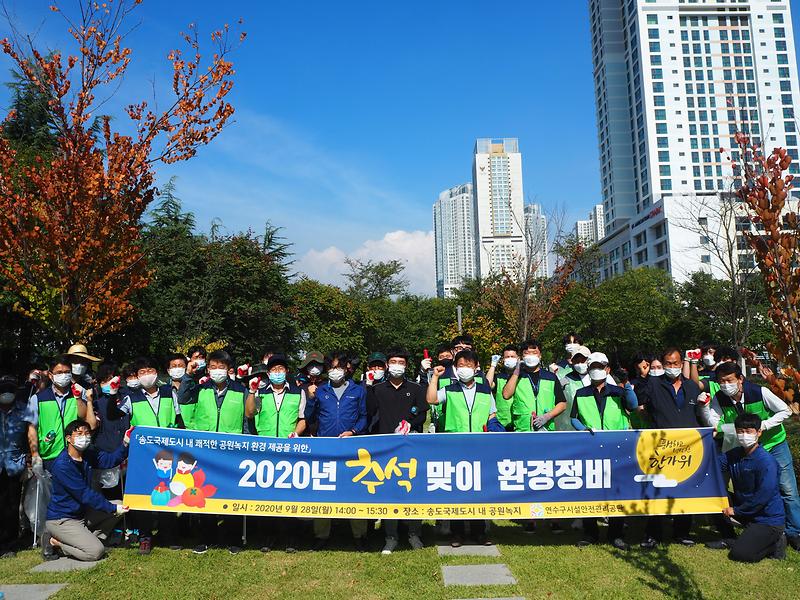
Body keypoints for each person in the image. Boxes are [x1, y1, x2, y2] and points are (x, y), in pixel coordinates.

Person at [699, 361, 800, 551]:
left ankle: (795, 532)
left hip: (773, 443)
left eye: (729, 380)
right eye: (721, 381)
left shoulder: (758, 392)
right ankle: (751, 527)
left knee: (787, 489)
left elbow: (785, 411)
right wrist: (705, 409)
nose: (725, 384)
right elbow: (713, 420)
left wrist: (764, 425)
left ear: (740, 379)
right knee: (747, 489)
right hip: (746, 448)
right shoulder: (720, 398)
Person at [426, 349, 505, 547]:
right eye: (460, 365)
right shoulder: (450, 389)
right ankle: (457, 533)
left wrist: (497, 432)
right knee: (457, 491)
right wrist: (435, 377)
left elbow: (492, 415)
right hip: (454, 445)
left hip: (479, 446)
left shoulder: (485, 390)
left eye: (469, 365)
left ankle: (480, 532)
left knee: (479, 489)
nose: (464, 369)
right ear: (455, 367)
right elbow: (431, 399)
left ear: (476, 368)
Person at [179, 349, 248, 554]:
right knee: (204, 495)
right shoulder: (200, 388)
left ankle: (233, 539)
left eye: (222, 367)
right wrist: (189, 374)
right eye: (213, 367)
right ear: (207, 369)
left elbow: (246, 421)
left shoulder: (239, 390)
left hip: (231, 452)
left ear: (229, 370)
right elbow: (183, 398)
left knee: (231, 494)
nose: (217, 371)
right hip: (205, 452)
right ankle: (206, 538)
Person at [635, 348, 705, 549]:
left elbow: (700, 413)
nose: (672, 367)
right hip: (660, 448)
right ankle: (653, 535)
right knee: (656, 491)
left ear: (681, 364)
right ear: (663, 365)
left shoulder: (691, 387)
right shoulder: (653, 385)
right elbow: (638, 406)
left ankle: (682, 532)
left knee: (685, 489)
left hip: (688, 449)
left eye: (676, 363)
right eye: (668, 363)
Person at [571, 352, 637, 550]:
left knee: (617, 490)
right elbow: (574, 417)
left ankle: (616, 534)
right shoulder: (581, 393)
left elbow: (632, 406)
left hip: (617, 447)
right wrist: (583, 430)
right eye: (593, 367)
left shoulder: (618, 392)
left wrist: (626, 385)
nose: (596, 370)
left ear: (607, 369)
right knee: (591, 490)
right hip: (591, 447)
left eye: (600, 367)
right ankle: (590, 533)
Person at [366, 348, 428, 554]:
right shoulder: (378, 389)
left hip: (410, 446)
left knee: (413, 490)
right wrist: (368, 386)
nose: (396, 366)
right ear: (387, 366)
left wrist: (410, 423)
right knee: (389, 491)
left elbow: (421, 413)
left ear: (406, 366)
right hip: (385, 447)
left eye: (400, 362)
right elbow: (369, 411)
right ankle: (390, 536)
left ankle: (414, 533)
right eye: (393, 362)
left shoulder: (416, 388)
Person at [42, 419, 131, 562]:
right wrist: (112, 507)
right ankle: (56, 542)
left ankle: (92, 540)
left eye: (87, 433)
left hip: (82, 514)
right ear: (68, 438)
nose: (84, 436)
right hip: (63, 519)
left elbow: (110, 460)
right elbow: (84, 494)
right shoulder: (62, 465)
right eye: (79, 433)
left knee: (119, 505)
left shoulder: (88, 454)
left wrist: (126, 442)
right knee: (95, 552)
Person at [306, 351, 369, 550]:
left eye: (339, 367)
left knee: (355, 490)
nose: (336, 371)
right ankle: (321, 534)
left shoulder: (358, 390)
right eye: (332, 368)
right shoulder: (321, 390)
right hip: (326, 447)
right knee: (323, 490)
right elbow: (310, 416)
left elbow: (364, 417)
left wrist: (353, 431)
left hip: (350, 446)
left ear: (346, 369)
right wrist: (310, 398)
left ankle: (359, 534)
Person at [244, 355, 307, 552]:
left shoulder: (298, 392)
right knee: (266, 495)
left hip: (289, 450)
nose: (277, 373)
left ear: (286, 371)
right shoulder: (260, 393)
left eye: (281, 369)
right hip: (266, 450)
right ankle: (267, 537)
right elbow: (249, 413)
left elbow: (303, 419)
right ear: (268, 373)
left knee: (289, 495)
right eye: (273, 370)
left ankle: (291, 537)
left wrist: (295, 433)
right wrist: (252, 391)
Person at [711, 413, 787, 562]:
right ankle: (729, 537)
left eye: (749, 431)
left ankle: (776, 542)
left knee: (741, 554)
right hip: (747, 512)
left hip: (767, 519)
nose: (744, 435)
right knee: (715, 496)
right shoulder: (735, 454)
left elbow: (763, 497)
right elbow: (714, 465)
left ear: (759, 433)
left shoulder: (766, 462)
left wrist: (737, 511)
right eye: (740, 431)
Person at [27, 355, 93, 473]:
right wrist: (35, 454)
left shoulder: (77, 394)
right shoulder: (38, 398)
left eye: (67, 372)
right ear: (51, 376)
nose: (63, 375)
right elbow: (32, 428)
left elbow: (83, 417)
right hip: (50, 455)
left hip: (75, 453)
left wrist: (78, 398)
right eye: (59, 372)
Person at [0, 374, 33, 557]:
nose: (6, 393)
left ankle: (9, 544)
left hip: (14, 464)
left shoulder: (23, 411)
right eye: (3, 389)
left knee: (12, 505)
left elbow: (30, 435)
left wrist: (30, 456)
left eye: (10, 390)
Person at [502, 340, 567, 433]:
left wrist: (547, 416)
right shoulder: (516, 376)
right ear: (521, 357)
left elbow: (562, 404)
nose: (531, 356)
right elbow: (506, 395)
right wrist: (517, 370)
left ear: (540, 356)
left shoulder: (550, 377)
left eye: (534, 353)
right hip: (523, 430)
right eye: (527, 353)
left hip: (546, 429)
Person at [89, 364, 128, 502]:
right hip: (108, 456)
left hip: (128, 456)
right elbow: (93, 424)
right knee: (112, 498)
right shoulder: (97, 403)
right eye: (104, 381)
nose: (109, 383)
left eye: (111, 379)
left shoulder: (126, 399)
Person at [556, 345, 592, 431]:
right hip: (571, 428)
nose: (580, 364)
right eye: (577, 361)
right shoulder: (565, 380)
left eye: (583, 360)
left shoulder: (599, 378)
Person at [485, 344, 519, 429]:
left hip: (519, 422)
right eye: (507, 357)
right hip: (502, 423)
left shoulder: (523, 376)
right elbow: (486, 386)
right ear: (503, 359)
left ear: (518, 358)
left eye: (512, 356)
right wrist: (493, 365)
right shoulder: (498, 377)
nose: (510, 359)